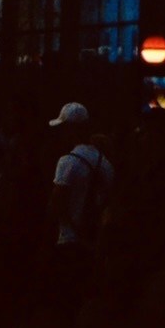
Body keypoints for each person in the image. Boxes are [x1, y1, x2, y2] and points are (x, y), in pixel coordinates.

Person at [49, 103, 112, 251]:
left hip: (68, 240)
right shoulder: (106, 162)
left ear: (70, 129)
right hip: (93, 241)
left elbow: (55, 205)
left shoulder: (68, 161)